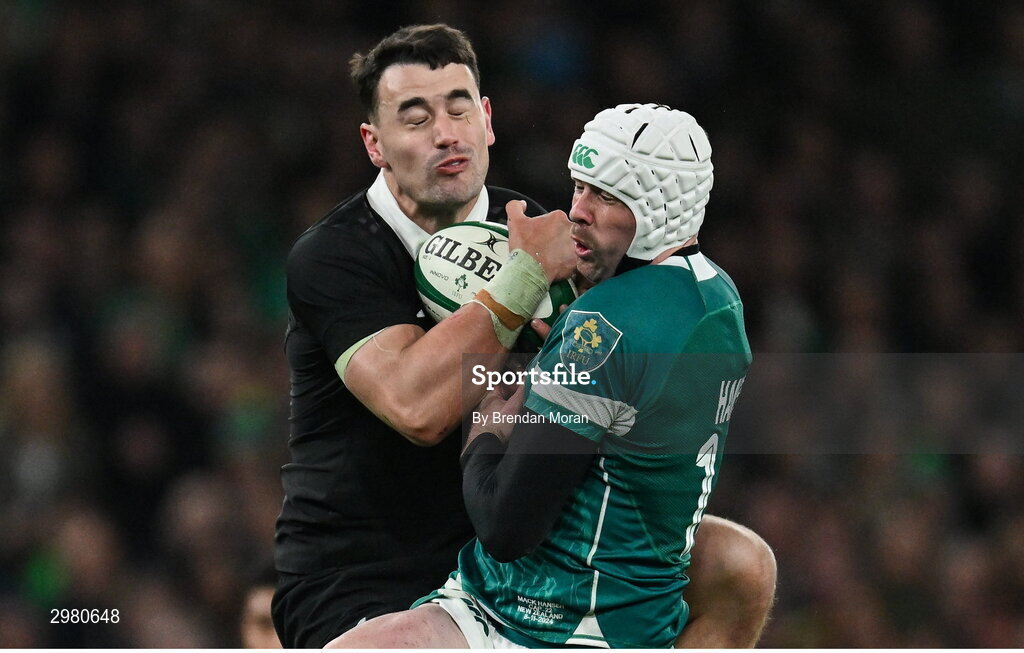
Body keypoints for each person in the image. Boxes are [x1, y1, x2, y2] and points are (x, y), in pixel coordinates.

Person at [274, 24, 774, 649]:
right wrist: (524, 281)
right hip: (365, 565)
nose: (445, 133)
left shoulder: (548, 230)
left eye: (459, 108)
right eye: (415, 117)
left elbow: (614, 382)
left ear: (487, 120)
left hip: (514, 548)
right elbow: (419, 408)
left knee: (739, 563)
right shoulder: (337, 254)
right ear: (375, 145)